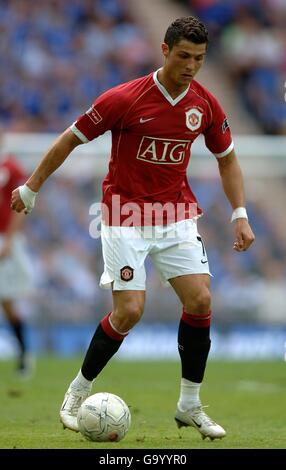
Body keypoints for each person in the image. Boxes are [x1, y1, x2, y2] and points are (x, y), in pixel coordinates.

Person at [11, 16, 255, 440]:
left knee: (199, 299)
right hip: (124, 214)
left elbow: (228, 157)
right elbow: (70, 137)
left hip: (176, 214)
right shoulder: (124, 98)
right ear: (164, 51)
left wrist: (239, 213)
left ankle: (190, 404)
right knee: (130, 311)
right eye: (183, 56)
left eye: (199, 58)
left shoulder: (206, 105)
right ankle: (76, 392)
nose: (191, 66)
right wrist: (31, 188)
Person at [0, 136, 33, 377]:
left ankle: (24, 355)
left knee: (8, 301)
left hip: (4, 239)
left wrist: (10, 240)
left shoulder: (11, 168)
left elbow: (21, 206)